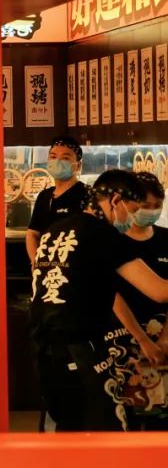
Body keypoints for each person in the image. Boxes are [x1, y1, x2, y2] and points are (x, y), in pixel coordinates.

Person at [29, 170, 168, 431]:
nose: (132, 219)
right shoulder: (104, 235)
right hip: (81, 348)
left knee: (65, 427)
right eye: (133, 210)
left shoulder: (54, 231)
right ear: (116, 201)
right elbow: (160, 291)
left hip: (43, 347)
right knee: (102, 428)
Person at [106, 172, 168, 425]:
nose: (150, 211)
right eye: (144, 205)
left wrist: (164, 339)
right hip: (121, 337)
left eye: (157, 205)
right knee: (125, 415)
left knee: (160, 415)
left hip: (162, 339)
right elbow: (111, 295)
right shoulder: (113, 240)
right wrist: (142, 340)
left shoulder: (166, 238)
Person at [26, 136, 89, 262]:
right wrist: (35, 262)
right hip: (46, 268)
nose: (57, 161)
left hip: (76, 267)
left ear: (78, 165)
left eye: (65, 158)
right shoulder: (44, 196)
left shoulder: (87, 194)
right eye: (53, 157)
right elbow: (32, 234)